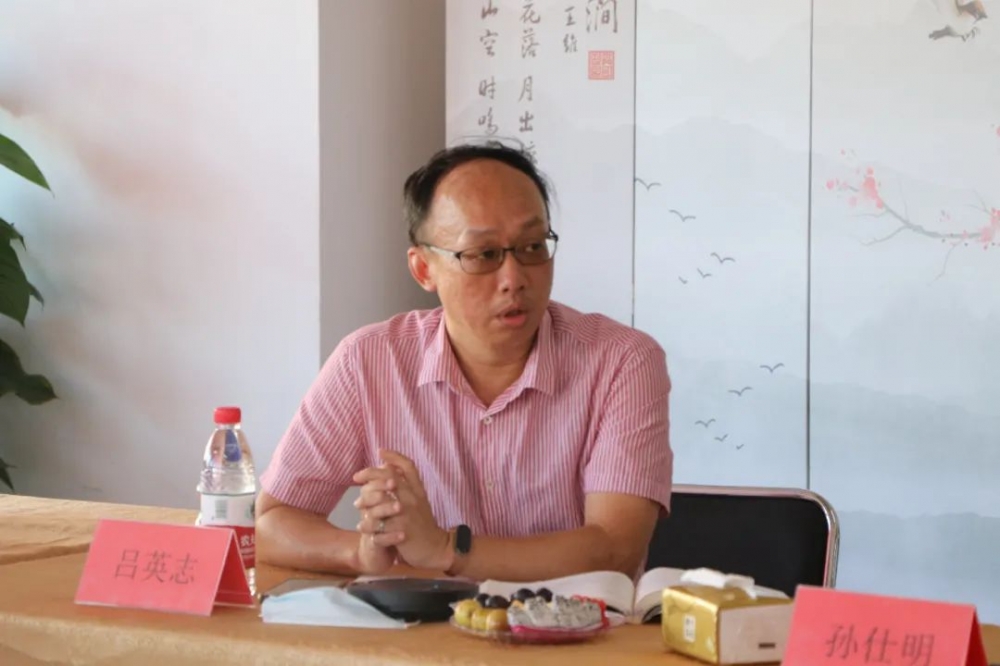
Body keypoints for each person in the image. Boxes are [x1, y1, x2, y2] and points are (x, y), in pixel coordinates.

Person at [255, 142, 672, 582]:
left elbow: (615, 547)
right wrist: (359, 553)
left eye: (532, 246)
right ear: (423, 269)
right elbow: (270, 522)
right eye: (483, 255)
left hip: (572, 625)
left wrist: (444, 548)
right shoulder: (368, 362)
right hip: (424, 626)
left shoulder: (621, 361)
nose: (514, 278)